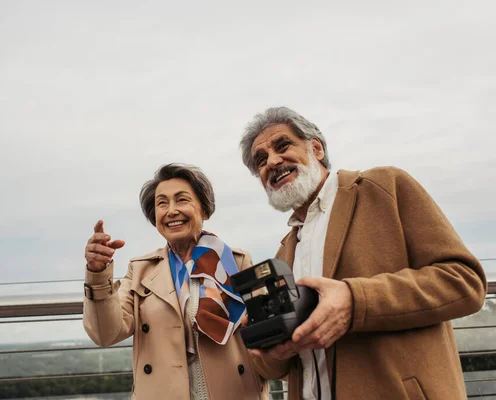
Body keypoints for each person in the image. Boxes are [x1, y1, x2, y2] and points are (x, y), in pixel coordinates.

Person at [238, 107, 487, 399]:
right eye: (261, 160)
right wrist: (272, 347)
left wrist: (356, 301)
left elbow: (466, 282)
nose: (273, 161)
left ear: (316, 148)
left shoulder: (385, 187)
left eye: (283, 146)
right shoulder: (283, 253)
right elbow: (275, 370)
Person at [82, 163, 269, 400]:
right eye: (162, 203)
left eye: (182, 200)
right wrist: (97, 274)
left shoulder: (237, 264)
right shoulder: (140, 271)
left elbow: (267, 337)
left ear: (204, 210)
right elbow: (105, 333)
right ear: (155, 216)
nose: (171, 210)